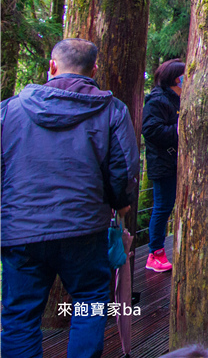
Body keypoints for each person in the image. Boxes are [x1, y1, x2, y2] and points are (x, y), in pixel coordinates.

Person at [1, 38, 139, 358]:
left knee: (19, 315)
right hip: (84, 228)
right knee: (90, 303)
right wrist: (120, 202)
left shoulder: (10, 110)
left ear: (52, 66)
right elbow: (124, 167)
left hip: (21, 230)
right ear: (93, 69)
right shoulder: (111, 110)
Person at [143, 58, 186, 273]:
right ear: (176, 78)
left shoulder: (178, 100)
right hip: (163, 164)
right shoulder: (157, 100)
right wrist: (177, 130)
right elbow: (150, 131)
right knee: (163, 206)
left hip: (179, 163)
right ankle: (155, 253)